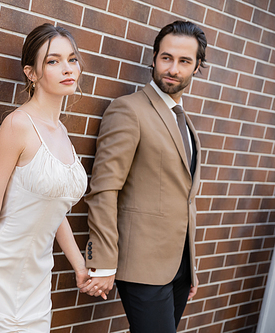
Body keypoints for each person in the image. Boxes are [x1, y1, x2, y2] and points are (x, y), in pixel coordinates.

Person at [0, 23, 89, 332]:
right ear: (32, 73)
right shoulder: (17, 125)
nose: (67, 68)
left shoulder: (63, 133)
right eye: (53, 61)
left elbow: (53, 208)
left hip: (38, 283)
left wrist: (79, 266)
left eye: (72, 59)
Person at [81, 20, 206, 333]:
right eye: (166, 57)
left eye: (184, 61)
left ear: (197, 67)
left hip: (177, 268)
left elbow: (184, 196)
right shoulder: (128, 111)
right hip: (141, 266)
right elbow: (104, 189)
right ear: (154, 58)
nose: (173, 68)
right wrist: (104, 262)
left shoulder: (184, 122)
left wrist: (188, 266)